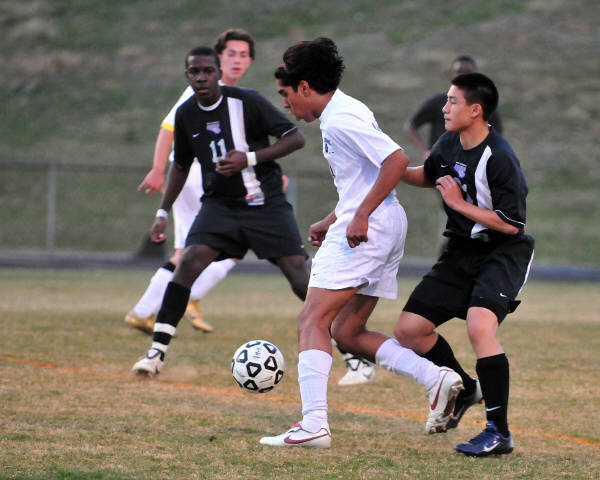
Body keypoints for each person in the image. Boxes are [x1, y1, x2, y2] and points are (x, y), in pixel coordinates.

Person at [259, 37, 464, 449]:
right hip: (381, 222)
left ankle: (314, 424)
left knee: (311, 320)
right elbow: (365, 178)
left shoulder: (340, 119)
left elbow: (396, 160)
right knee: (347, 331)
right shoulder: (344, 110)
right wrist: (335, 217)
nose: (285, 104)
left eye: (285, 94)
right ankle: (436, 377)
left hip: (371, 227)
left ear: (304, 87)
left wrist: (361, 215)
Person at [130, 45, 310, 376]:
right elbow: (180, 165)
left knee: (298, 275)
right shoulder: (186, 114)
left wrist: (250, 158)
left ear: (218, 73)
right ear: (187, 75)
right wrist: (162, 212)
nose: (201, 77)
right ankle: (155, 355)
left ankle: (348, 347)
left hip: (265, 203)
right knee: (188, 264)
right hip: (220, 206)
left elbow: (295, 137)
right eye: (194, 72)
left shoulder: (247, 101)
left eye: (207, 71)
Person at [394, 72, 534, 456]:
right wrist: (391, 169)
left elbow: (511, 222)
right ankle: (466, 389)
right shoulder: (448, 143)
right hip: (460, 251)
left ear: (476, 110)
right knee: (409, 330)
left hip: (502, 252)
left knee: (479, 326)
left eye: (452, 101)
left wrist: (458, 204)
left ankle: (498, 432)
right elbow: (428, 176)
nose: (444, 108)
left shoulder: (500, 157)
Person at [125, 29, 257, 335]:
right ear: (218, 57)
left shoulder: (230, 95)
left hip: (204, 178)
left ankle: (146, 311)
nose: (236, 60)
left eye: (243, 55)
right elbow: (168, 128)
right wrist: (157, 169)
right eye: (230, 54)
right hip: (196, 177)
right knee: (236, 241)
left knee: (189, 252)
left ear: (250, 61)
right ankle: (186, 298)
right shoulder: (204, 88)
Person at [404, 55, 503, 162]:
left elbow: (496, 136)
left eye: (468, 72)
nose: (463, 76)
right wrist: (424, 152)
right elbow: (411, 125)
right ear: (452, 75)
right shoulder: (438, 102)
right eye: (458, 71)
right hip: (439, 164)